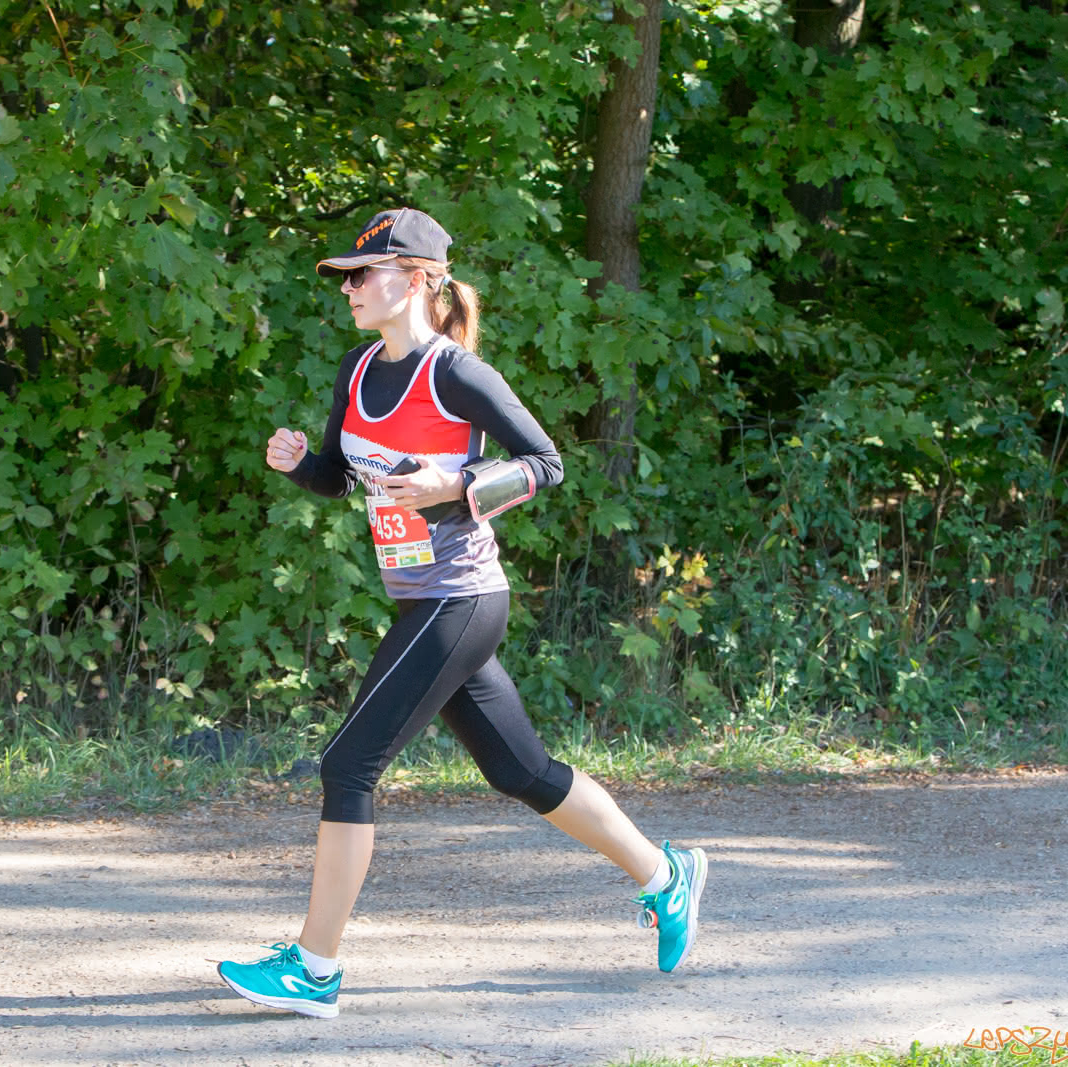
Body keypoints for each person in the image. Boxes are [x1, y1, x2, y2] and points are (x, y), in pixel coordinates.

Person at [216, 207, 707, 1019]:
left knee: (348, 766)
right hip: (425, 601)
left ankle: (314, 968)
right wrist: (303, 463)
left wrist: (459, 488)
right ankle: (665, 875)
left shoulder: (456, 374)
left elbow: (547, 464)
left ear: (416, 279)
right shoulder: (357, 368)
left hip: (460, 600)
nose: (348, 287)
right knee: (522, 772)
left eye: (363, 274)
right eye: (345, 275)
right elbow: (345, 475)